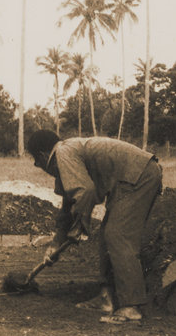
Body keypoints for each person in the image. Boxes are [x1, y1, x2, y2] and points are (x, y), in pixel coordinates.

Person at [26, 130, 163, 324]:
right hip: (132, 177)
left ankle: (131, 307)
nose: (35, 165)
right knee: (108, 235)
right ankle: (106, 298)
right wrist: (56, 243)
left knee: (118, 235)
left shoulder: (63, 153)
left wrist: (80, 226)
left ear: (42, 156)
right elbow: (68, 204)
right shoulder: (68, 153)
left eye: (34, 159)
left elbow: (85, 192)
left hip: (138, 176)